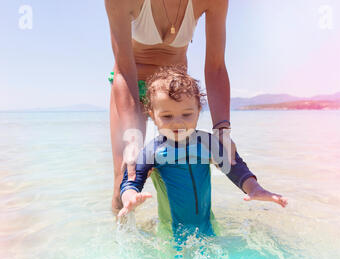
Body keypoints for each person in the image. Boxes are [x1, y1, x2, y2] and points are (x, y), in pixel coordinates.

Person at [118, 66, 287, 240]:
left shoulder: (207, 143)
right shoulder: (152, 151)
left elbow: (234, 167)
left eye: (187, 114)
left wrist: (254, 188)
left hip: (208, 225)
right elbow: (132, 178)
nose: (178, 123)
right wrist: (130, 196)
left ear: (199, 110)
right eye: (167, 116)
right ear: (152, 116)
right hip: (171, 232)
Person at [105, 0, 236, 212]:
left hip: (174, 95)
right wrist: (132, 139)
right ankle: (121, 241)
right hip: (131, 86)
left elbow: (216, 67)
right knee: (125, 177)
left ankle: (173, 233)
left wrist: (223, 131)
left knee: (180, 169)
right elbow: (123, 71)